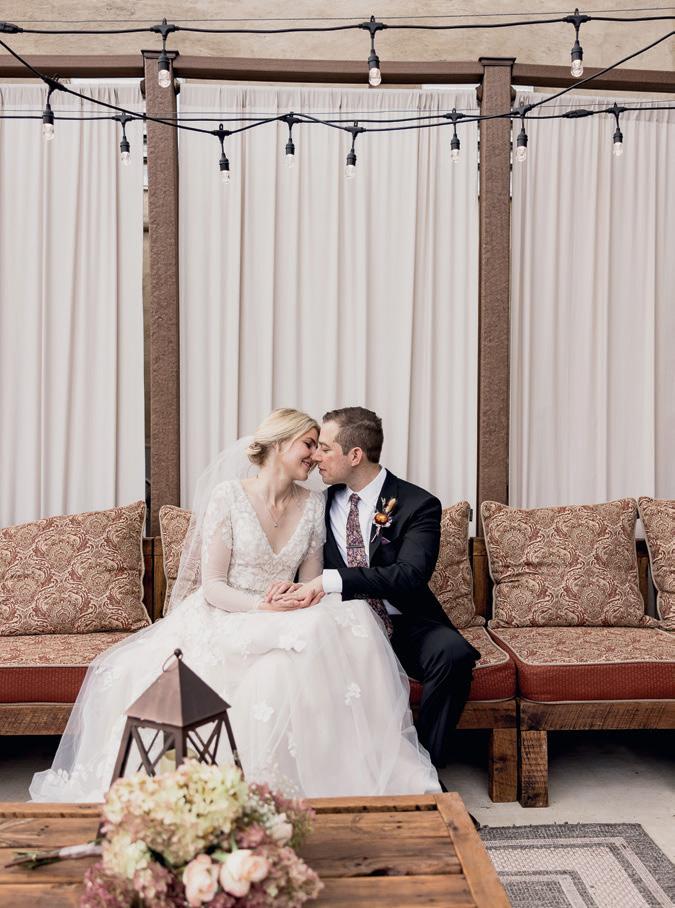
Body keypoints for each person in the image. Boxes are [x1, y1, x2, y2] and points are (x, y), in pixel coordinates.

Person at [30, 408, 440, 802]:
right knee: (251, 666)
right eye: (309, 444)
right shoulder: (228, 496)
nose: (316, 456)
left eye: (320, 446)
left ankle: (335, 770)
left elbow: (308, 581)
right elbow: (213, 587)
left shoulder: (315, 504)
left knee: (341, 626)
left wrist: (292, 597)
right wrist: (262, 607)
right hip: (229, 612)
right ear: (280, 444)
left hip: (284, 613)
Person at [271, 407, 480, 770]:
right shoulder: (318, 504)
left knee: (454, 655)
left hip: (405, 622)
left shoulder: (418, 505)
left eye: (325, 448)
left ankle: (423, 767)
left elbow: (410, 575)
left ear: (355, 455)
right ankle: (342, 767)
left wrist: (331, 580)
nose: (316, 456)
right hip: (342, 625)